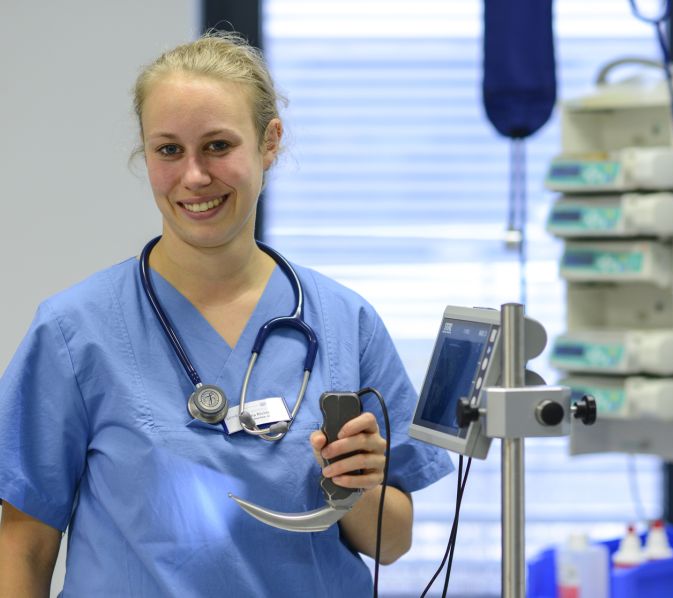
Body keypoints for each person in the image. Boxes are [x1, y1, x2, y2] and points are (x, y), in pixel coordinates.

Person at [0, 31, 452, 597]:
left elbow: (392, 542)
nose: (194, 177)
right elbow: (24, 544)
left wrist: (353, 484)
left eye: (218, 146)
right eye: (169, 150)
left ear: (270, 143)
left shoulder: (344, 322)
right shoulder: (75, 330)